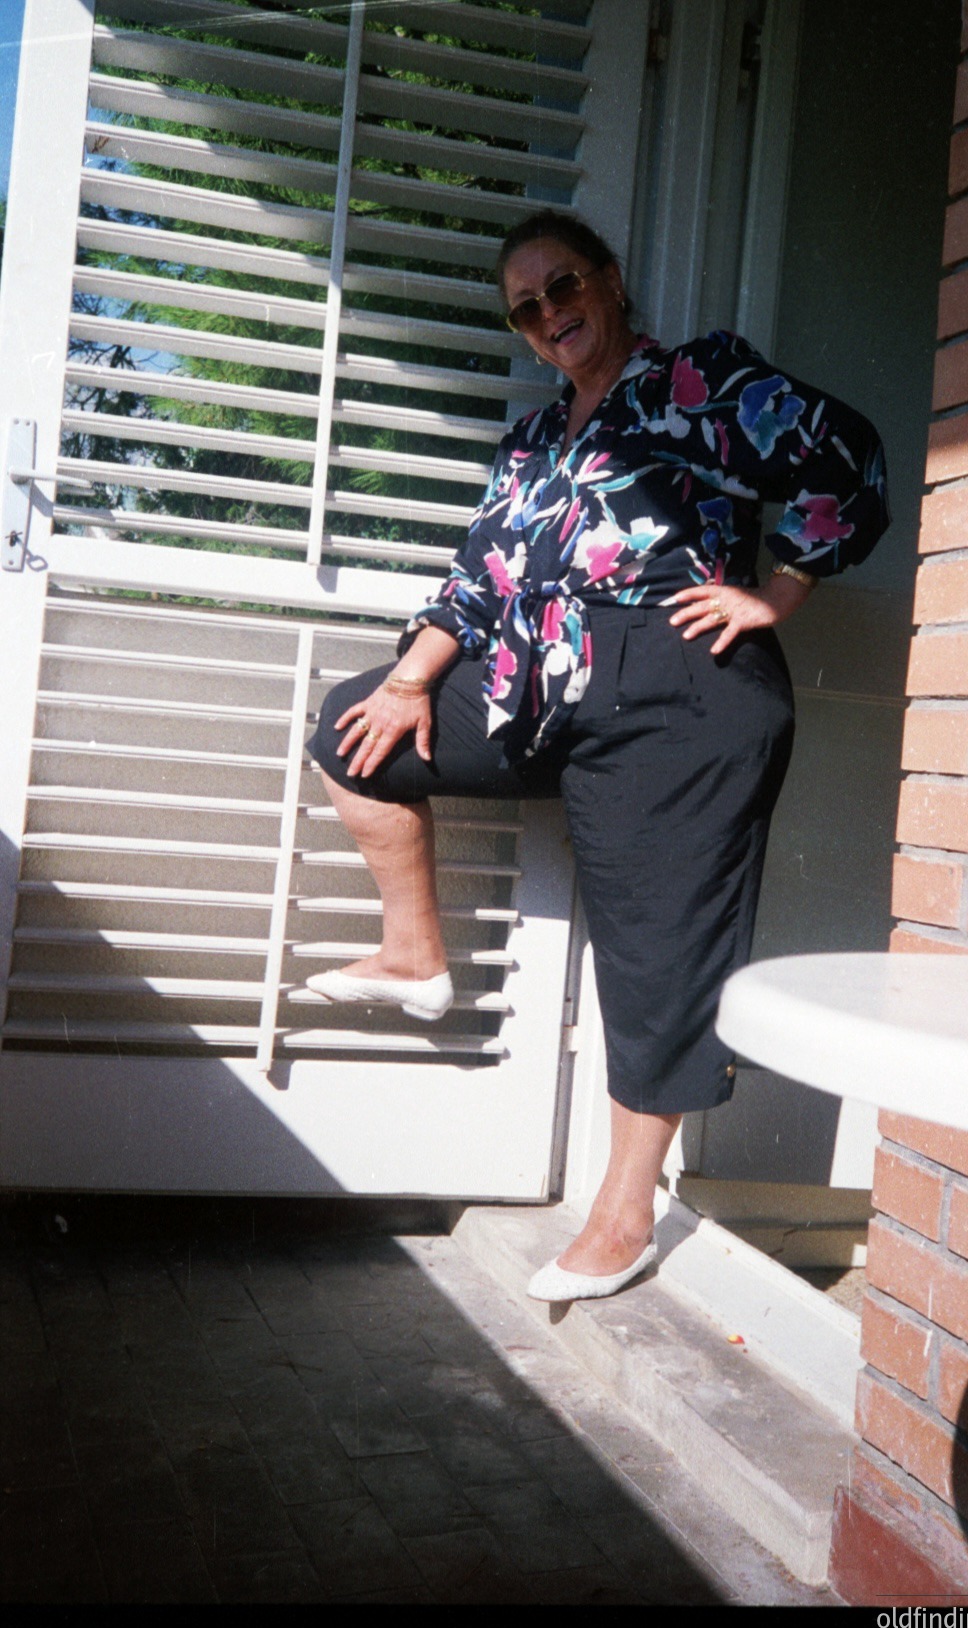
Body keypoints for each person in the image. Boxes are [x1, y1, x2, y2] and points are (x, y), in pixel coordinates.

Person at [306, 209, 889, 1302]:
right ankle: (414, 954)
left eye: (562, 286)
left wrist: (776, 593)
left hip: (680, 683)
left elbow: (846, 458)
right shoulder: (532, 442)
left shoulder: (695, 382)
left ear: (611, 283)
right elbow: (480, 574)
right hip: (549, 680)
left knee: (655, 948)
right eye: (524, 307)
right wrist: (408, 679)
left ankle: (625, 1209)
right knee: (350, 732)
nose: (547, 314)